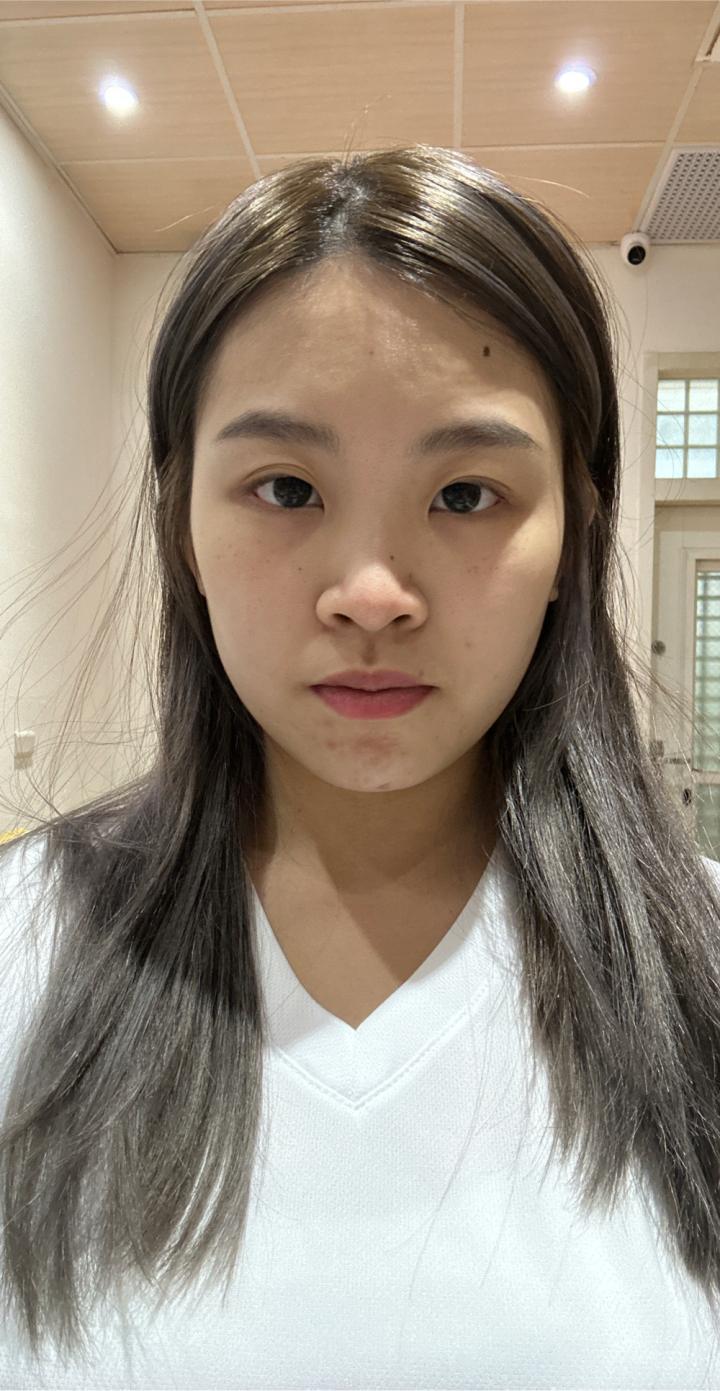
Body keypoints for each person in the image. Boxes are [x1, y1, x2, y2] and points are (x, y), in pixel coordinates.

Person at [1, 143, 720, 1389]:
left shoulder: (698, 965)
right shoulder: (25, 951)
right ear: (183, 525)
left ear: (575, 534)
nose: (373, 592)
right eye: (286, 487)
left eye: (467, 494)